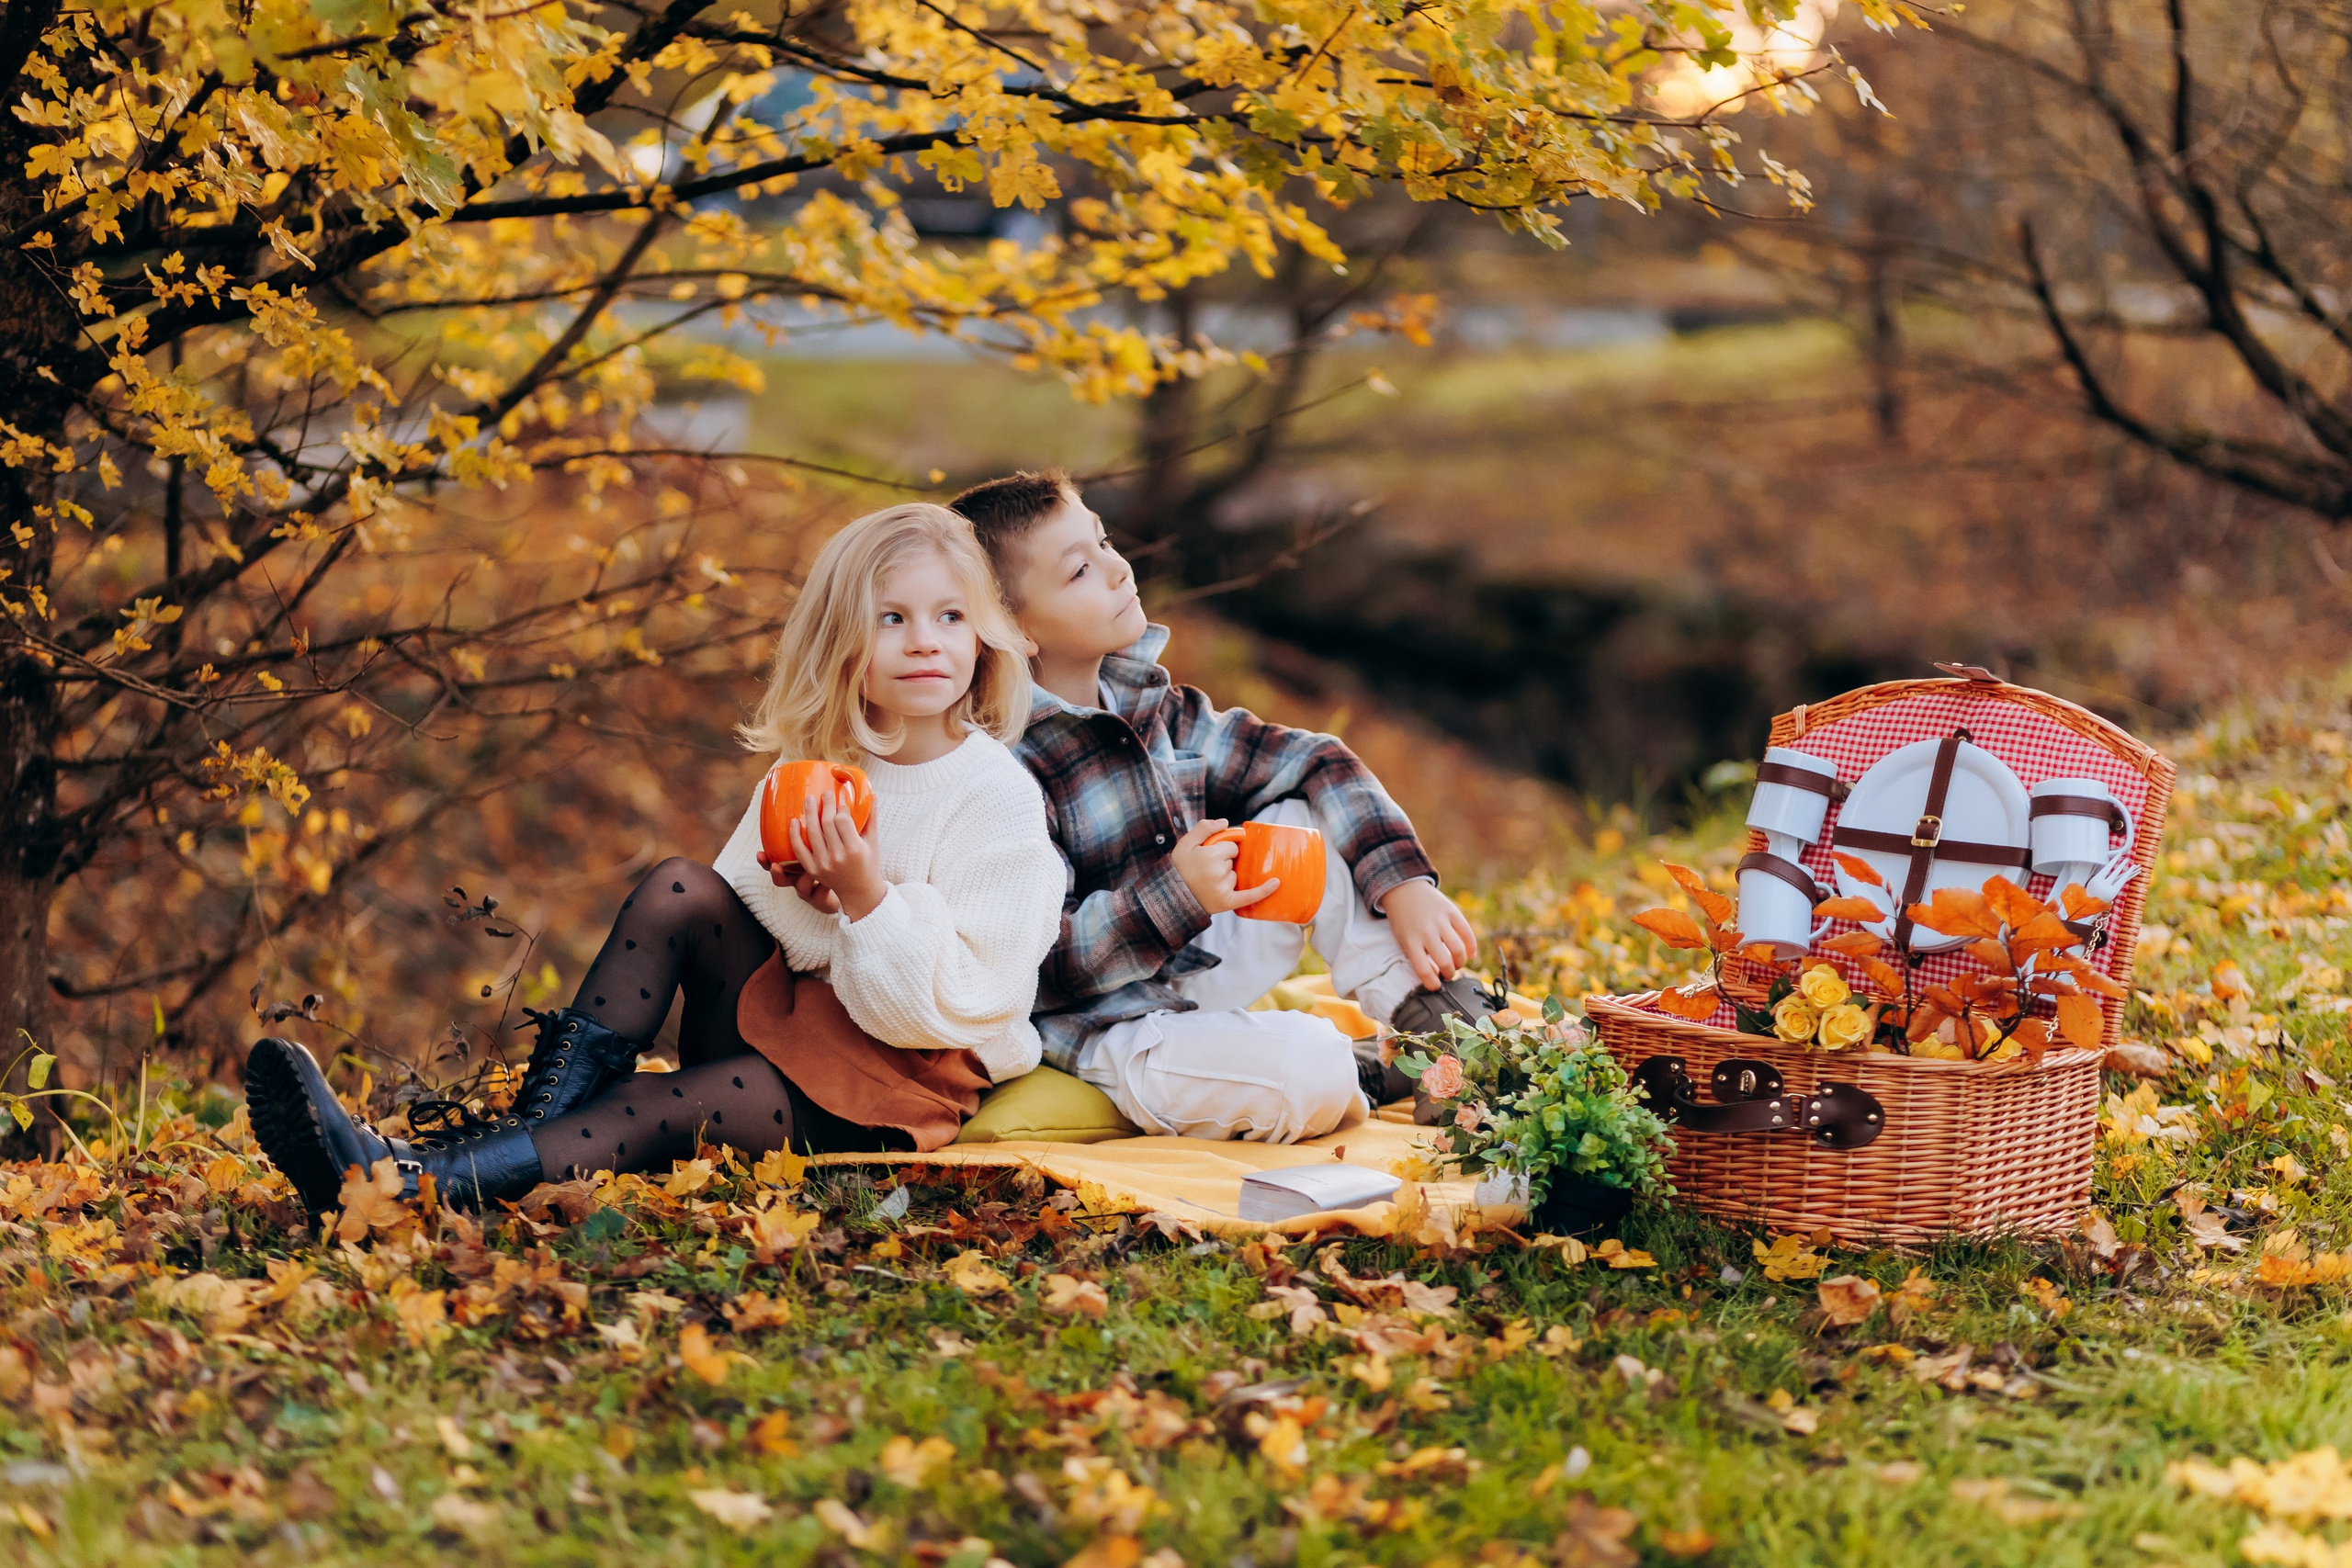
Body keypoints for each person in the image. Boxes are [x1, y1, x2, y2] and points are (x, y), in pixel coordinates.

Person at [246, 502, 1064, 1214]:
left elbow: (959, 1007)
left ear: (986, 636)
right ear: (842, 640)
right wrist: (813, 902)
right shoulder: (817, 768)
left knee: (652, 1104)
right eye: (893, 619)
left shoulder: (998, 798)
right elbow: (756, 918)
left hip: (892, 1084)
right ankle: (503, 1144)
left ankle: (406, 1181)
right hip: (787, 1025)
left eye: (951, 617)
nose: (926, 642)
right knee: (679, 884)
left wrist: (868, 897)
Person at [949, 469, 1494, 1145]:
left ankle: (1439, 1018)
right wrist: (1176, 891)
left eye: (1105, 541)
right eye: (1080, 571)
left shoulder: (1151, 705)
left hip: (1190, 968)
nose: (1119, 570)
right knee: (1309, 1067)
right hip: (1111, 1028)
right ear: (1015, 629)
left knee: (1305, 822)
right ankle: (1362, 1073)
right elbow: (1037, 965)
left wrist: (1403, 882)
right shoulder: (1002, 769)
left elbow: (1313, 759)